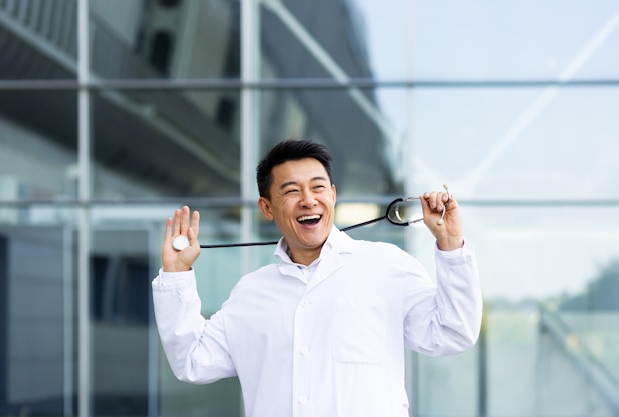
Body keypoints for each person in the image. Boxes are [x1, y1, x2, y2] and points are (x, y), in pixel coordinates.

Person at [152, 139, 482, 417]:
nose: (309, 199)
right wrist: (176, 275)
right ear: (267, 208)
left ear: (333, 195)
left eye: (318, 187)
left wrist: (450, 244)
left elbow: (453, 332)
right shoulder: (250, 292)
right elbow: (193, 361)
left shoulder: (386, 265)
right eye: (291, 191)